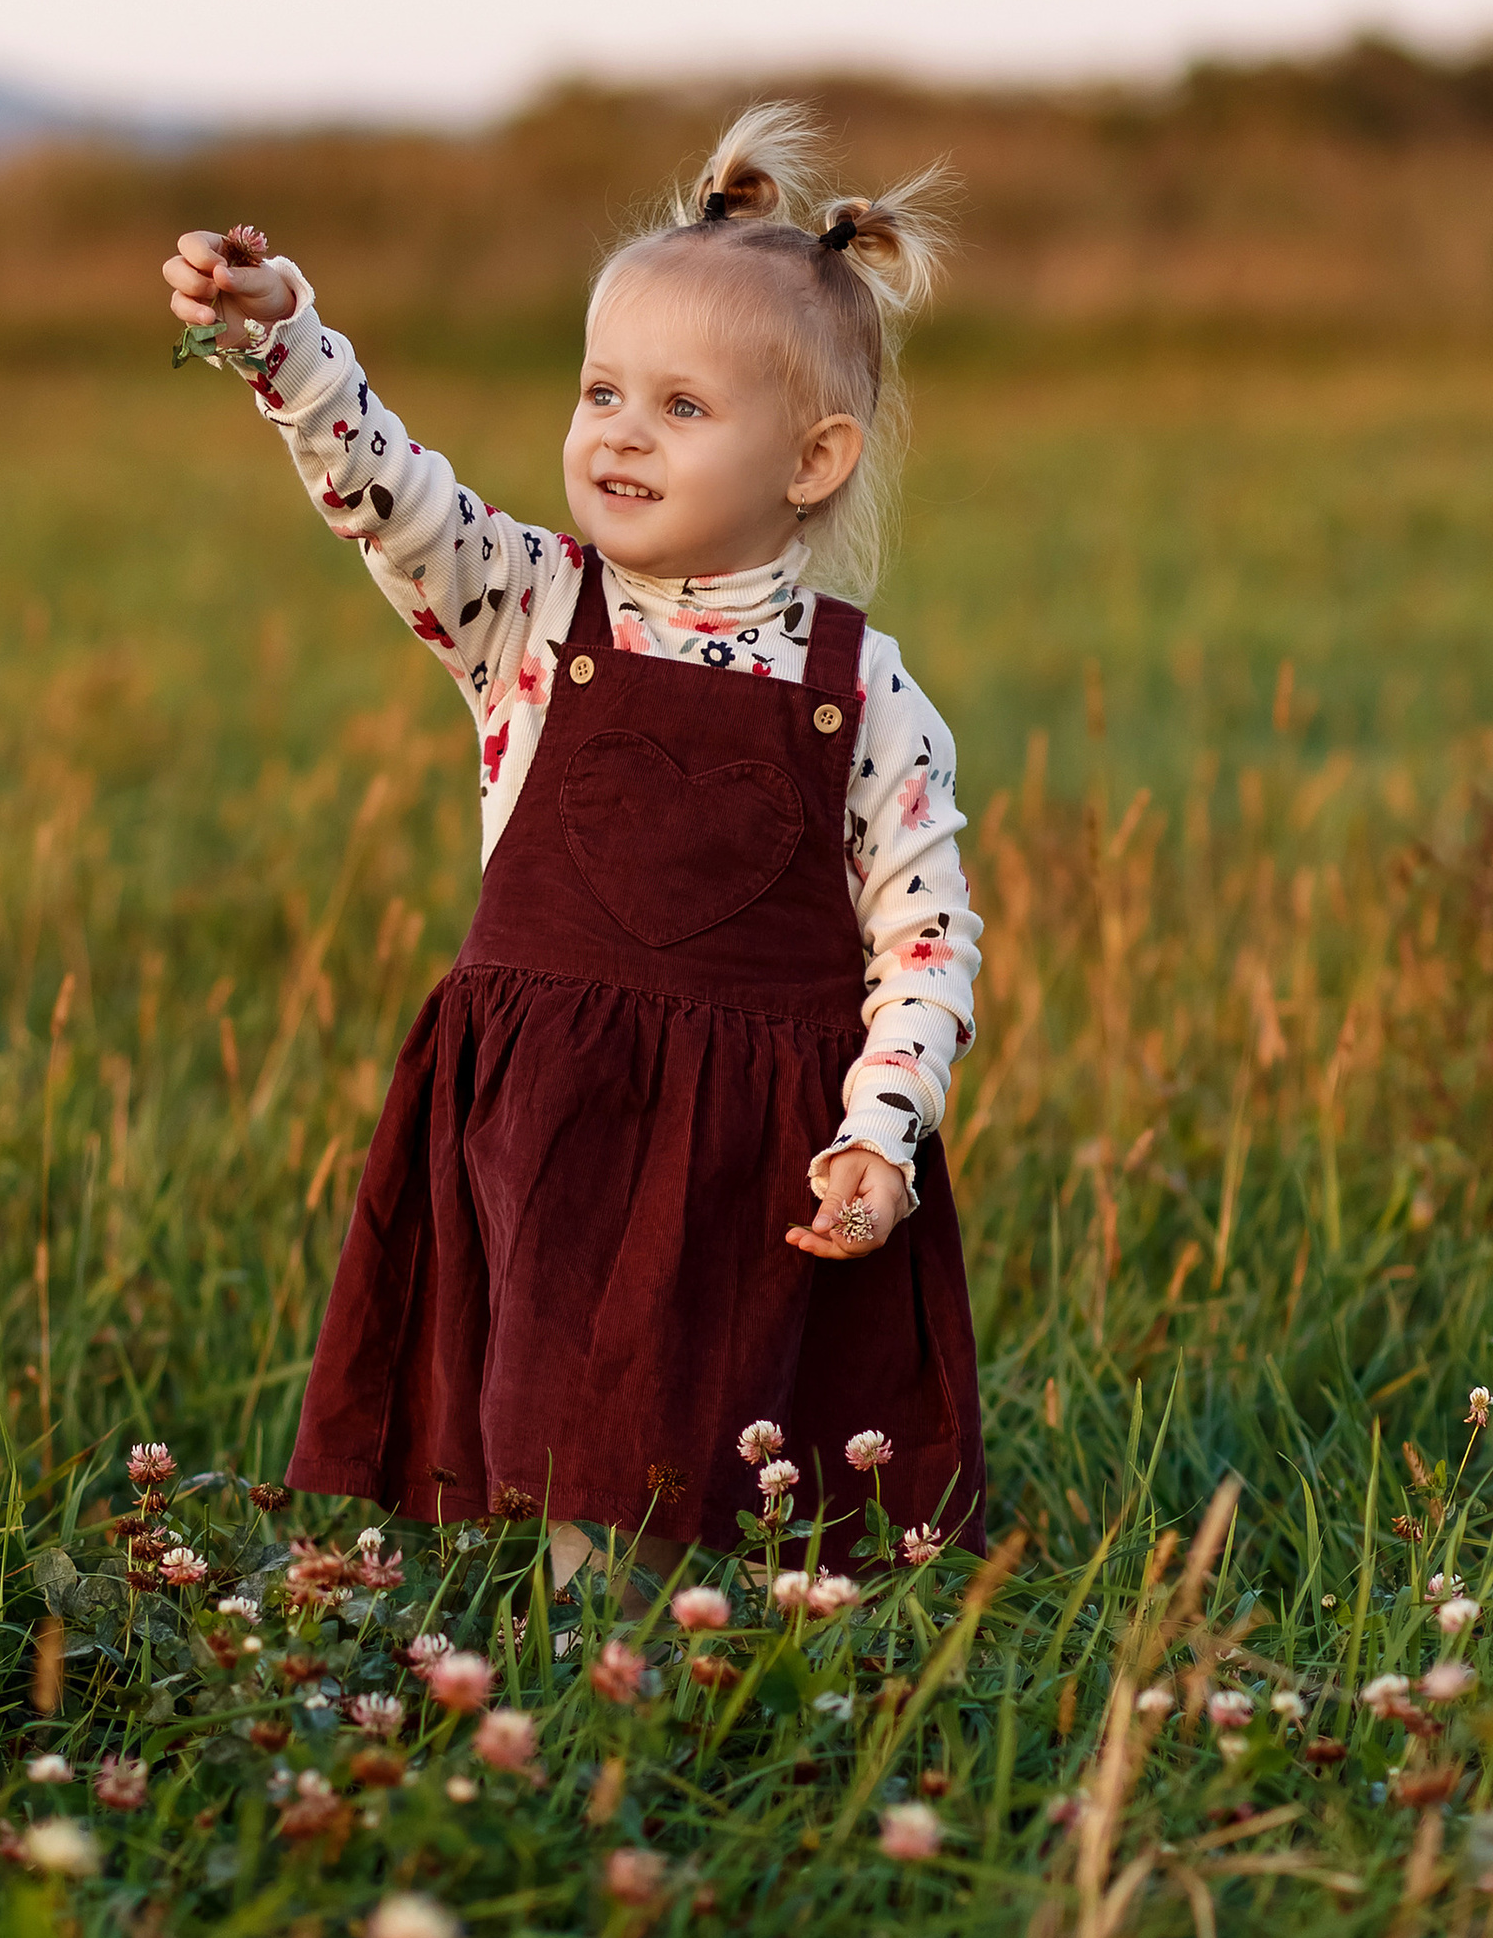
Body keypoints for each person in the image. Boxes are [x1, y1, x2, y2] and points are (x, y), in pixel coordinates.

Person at [161, 104, 984, 1556]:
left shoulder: (864, 690)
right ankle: (565, 1653)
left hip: (753, 1155)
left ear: (812, 459)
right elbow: (391, 499)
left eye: (683, 408)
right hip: (545, 1123)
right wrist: (285, 337)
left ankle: (700, 1657)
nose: (620, 432)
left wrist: (881, 1129)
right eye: (602, 390)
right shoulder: (529, 609)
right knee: (555, 1449)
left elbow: (924, 939)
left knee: (728, 1465)